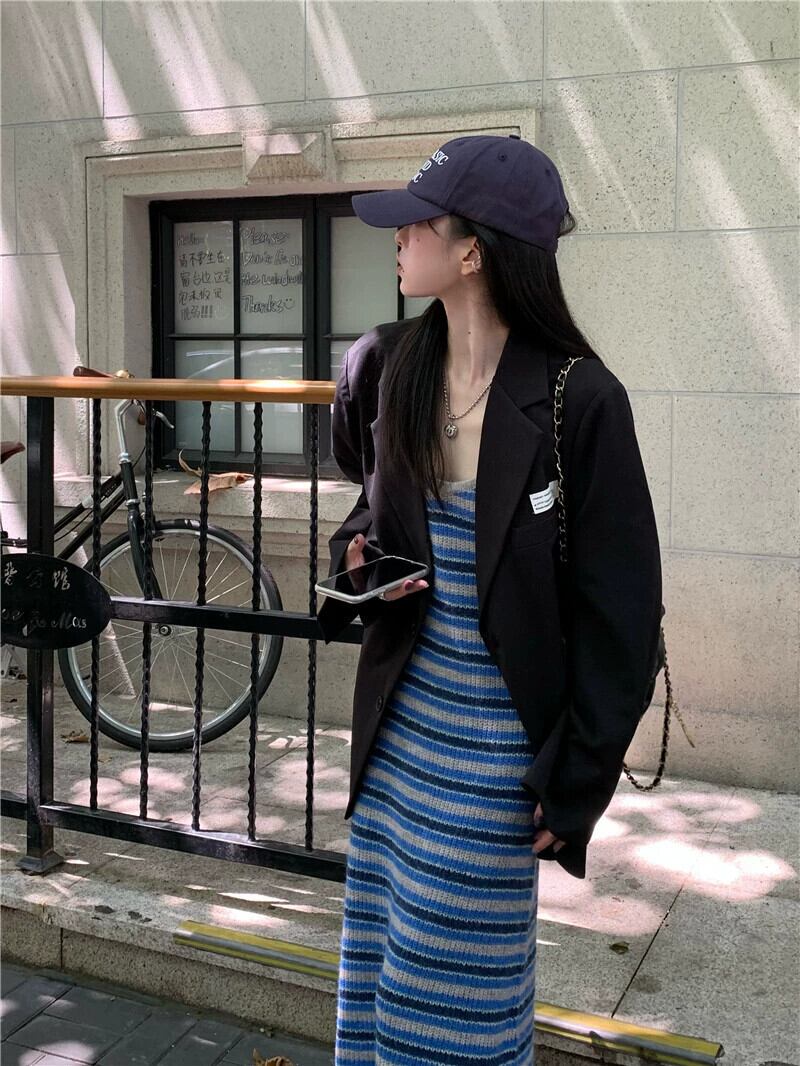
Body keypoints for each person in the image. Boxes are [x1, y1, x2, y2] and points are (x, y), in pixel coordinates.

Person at [317, 134, 663, 1065]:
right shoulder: (386, 365)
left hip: (495, 759)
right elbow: (367, 503)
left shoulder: (581, 400)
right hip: (395, 740)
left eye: (414, 223)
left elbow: (624, 616)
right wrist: (359, 560)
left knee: (458, 1008)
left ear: (472, 251)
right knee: (378, 978)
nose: (395, 238)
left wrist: (578, 782)